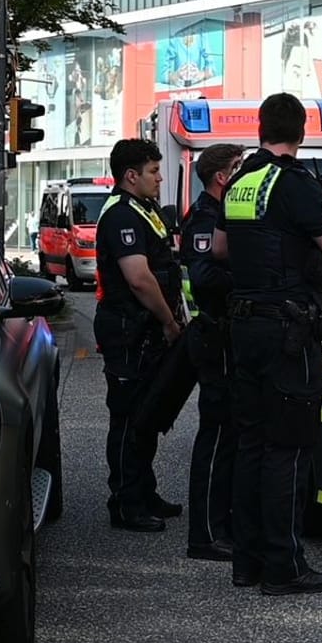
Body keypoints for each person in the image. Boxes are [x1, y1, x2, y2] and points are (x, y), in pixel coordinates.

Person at [212, 92, 322, 596]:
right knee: (288, 449)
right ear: (300, 131)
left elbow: (222, 247)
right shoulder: (294, 183)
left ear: (259, 128)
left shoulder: (241, 183)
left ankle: (247, 562)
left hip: (245, 325)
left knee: (250, 444)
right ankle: (285, 567)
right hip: (286, 330)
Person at [94, 138, 185, 533]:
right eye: (152, 171)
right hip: (129, 331)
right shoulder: (121, 215)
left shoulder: (143, 211)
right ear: (131, 175)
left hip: (143, 332)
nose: (159, 177)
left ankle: (144, 491)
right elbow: (139, 279)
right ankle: (127, 502)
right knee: (129, 418)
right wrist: (168, 321)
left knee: (147, 416)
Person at [180, 143, 245, 562]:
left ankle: (223, 522)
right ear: (223, 177)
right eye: (238, 168)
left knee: (231, 435)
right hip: (216, 334)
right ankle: (204, 534)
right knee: (217, 433)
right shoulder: (206, 216)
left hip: (229, 336)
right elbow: (204, 276)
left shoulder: (222, 214)